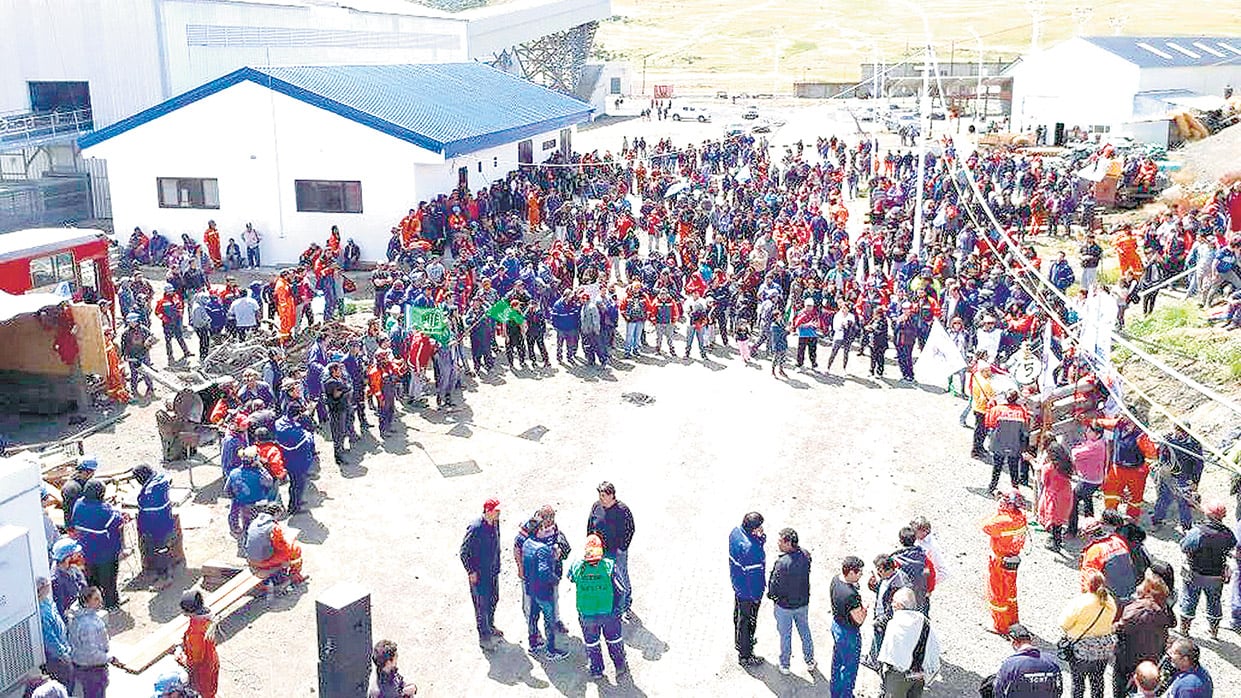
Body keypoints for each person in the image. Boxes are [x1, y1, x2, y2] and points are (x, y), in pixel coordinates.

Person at [567, 534, 629, 681]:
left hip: (586, 613)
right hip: (608, 613)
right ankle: (619, 666)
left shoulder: (577, 565)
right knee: (614, 640)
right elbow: (621, 589)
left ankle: (597, 670)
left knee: (592, 643)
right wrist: (618, 610)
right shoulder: (609, 566)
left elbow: (570, 577)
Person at [1178, 500, 1236, 639]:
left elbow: (1184, 547)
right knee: (1214, 602)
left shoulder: (1198, 532)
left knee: (1189, 599)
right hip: (1216, 576)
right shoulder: (1228, 533)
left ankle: (1184, 631)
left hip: (1195, 573)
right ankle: (1213, 632)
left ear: (1207, 514)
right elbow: (1230, 547)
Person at [1113, 572, 1174, 698]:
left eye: (1143, 583)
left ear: (1148, 590)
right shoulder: (1162, 608)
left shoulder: (1138, 610)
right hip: (1152, 656)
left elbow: (1120, 628)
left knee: (1122, 688)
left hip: (1130, 657)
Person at [1058, 570, 1117, 698]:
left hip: (1082, 650)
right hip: (1103, 649)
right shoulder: (1109, 601)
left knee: (1078, 683)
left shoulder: (1081, 602)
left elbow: (1064, 623)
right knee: (1097, 680)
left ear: (1088, 585)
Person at [69, 480, 125, 611]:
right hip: (106, 553)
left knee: (92, 580)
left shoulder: (78, 504)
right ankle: (112, 605)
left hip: (86, 551)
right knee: (109, 581)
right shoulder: (103, 510)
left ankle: (94, 606)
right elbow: (118, 520)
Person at [767, 527, 814, 675]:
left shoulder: (782, 563)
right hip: (802, 604)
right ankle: (810, 660)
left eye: (780, 541)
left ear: (788, 543)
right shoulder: (805, 555)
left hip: (785, 607)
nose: (778, 543)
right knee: (805, 632)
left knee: (785, 635)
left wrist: (772, 597)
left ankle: (785, 664)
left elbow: (774, 585)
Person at [877, 587, 940, 698]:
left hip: (898, 676)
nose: (892, 604)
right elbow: (933, 647)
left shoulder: (895, 623)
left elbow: (888, 653)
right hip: (919, 674)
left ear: (901, 606)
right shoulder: (925, 622)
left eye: (894, 602)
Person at [587, 481, 635, 618]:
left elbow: (630, 529)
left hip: (617, 551)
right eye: (599, 495)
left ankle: (626, 604)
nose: (600, 498)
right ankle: (609, 603)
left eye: (603, 495)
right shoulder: (596, 506)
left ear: (611, 495)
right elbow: (590, 525)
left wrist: (622, 547)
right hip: (599, 550)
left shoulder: (622, 510)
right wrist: (590, 543)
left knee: (621, 576)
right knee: (604, 577)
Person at [982, 490, 1027, 634]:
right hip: (1013, 560)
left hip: (999, 561)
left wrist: (999, 510)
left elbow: (985, 525)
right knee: (1011, 593)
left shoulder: (1004, 521)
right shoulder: (1021, 517)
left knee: (997, 593)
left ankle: (1000, 626)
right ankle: (1013, 620)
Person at [461, 498, 503, 649]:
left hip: (492, 571)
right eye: (496, 510)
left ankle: (490, 626)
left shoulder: (496, 523)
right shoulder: (476, 528)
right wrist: (470, 571)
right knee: (481, 606)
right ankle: (484, 639)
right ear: (488, 511)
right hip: (479, 575)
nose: (499, 513)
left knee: (494, 599)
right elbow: (464, 552)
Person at [728, 512, 766, 667]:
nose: (762, 529)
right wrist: (757, 596)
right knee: (749, 622)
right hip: (749, 592)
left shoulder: (735, 533)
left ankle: (739, 642)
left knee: (739, 615)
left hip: (738, 584)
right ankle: (746, 654)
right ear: (752, 530)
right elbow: (755, 578)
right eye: (759, 527)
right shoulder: (752, 550)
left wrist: (760, 538)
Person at [521, 530, 566, 660]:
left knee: (533, 618)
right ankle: (551, 651)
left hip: (531, 589)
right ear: (538, 531)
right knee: (549, 621)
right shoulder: (543, 549)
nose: (546, 531)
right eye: (543, 529)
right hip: (544, 593)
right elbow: (544, 571)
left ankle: (533, 644)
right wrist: (555, 579)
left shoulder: (527, 543)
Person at [1152, 423, 1203, 532]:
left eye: (1183, 431)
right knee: (1164, 498)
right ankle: (1157, 520)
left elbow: (1199, 464)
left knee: (1184, 502)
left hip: (1185, 477)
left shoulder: (1194, 444)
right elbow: (1161, 455)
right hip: (1168, 475)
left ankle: (1186, 527)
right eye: (1178, 430)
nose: (1180, 433)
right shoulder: (1167, 440)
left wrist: (1195, 481)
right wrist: (1164, 468)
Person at [134, 464, 179, 587]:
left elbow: (145, 515)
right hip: (166, 521)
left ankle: (165, 578)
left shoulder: (149, 494)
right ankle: (165, 571)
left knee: (160, 551)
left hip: (157, 527)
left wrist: (142, 530)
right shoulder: (160, 480)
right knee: (164, 549)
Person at [829, 556, 867, 698]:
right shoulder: (851, 595)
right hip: (848, 633)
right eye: (859, 572)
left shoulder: (835, 579)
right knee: (849, 669)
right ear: (851, 572)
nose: (861, 575)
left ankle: (835, 693)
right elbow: (859, 620)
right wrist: (865, 610)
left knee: (837, 663)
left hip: (836, 626)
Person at [993, 622, 1063, 697]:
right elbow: (1059, 688)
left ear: (1014, 642)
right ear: (1031, 640)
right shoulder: (1051, 660)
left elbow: (998, 690)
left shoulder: (1010, 664)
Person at [66, 586, 109, 698]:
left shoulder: (79, 618)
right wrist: (109, 658)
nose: (100, 601)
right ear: (86, 602)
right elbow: (92, 653)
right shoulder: (88, 625)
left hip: (81, 666)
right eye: (96, 599)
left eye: (100, 597)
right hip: (92, 669)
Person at [176, 590, 219, 698]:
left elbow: (195, 660)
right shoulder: (205, 617)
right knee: (211, 690)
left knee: (203, 693)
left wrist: (181, 657)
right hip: (212, 660)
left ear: (189, 611)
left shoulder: (196, 631)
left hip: (202, 669)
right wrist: (184, 640)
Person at [985, 391, 1030, 491]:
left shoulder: (996, 410)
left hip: (998, 444)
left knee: (997, 467)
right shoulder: (1022, 411)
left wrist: (989, 408)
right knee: (1014, 469)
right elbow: (1025, 430)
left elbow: (988, 424)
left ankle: (992, 486)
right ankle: (1015, 489)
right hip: (1014, 445)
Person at [1069, 424, 1108, 538]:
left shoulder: (1096, 446)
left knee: (1073, 501)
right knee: (1087, 499)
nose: (1087, 433)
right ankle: (1092, 527)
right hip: (1094, 478)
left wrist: (1076, 448)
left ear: (1098, 434)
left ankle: (1072, 530)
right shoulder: (1097, 442)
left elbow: (1076, 454)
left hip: (1089, 480)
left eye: (1090, 432)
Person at [36, 576, 74, 688]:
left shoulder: (48, 602)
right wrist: (62, 654)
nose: (49, 586)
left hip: (64, 646)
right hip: (57, 657)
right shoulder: (42, 613)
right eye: (47, 584)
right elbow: (49, 638)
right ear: (42, 589)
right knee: (65, 682)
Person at [1037, 442, 1075, 552]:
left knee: (1053, 519)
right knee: (1060, 518)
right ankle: (1057, 539)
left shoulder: (1049, 467)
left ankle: (1056, 543)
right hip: (1066, 493)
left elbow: (1044, 481)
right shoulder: (1068, 464)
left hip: (1053, 495)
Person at [50, 538, 87, 621]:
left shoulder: (74, 568)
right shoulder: (57, 581)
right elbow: (61, 609)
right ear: (67, 557)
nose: (79, 554)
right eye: (75, 553)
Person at [969, 364, 996, 459]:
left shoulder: (977, 376)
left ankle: (979, 447)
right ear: (983, 371)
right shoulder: (985, 384)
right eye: (988, 371)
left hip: (977, 407)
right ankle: (976, 450)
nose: (990, 372)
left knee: (980, 431)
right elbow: (990, 397)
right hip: (982, 410)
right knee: (981, 431)